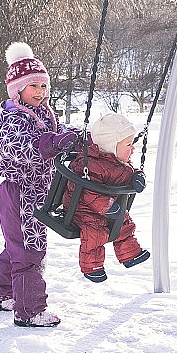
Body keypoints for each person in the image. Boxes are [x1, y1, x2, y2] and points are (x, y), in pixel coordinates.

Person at [0, 41, 76, 327]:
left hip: (38, 191)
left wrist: (74, 136)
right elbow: (16, 147)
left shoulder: (45, 114)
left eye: (43, 86)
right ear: (17, 90)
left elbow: (58, 134)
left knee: (18, 245)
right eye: (33, 86)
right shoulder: (13, 118)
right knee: (29, 250)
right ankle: (30, 310)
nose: (39, 92)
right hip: (19, 191)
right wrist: (50, 144)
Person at [62, 113, 150, 283]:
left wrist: (138, 176)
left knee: (124, 222)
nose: (133, 149)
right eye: (129, 144)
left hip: (107, 207)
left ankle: (129, 254)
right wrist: (107, 206)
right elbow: (87, 192)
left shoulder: (117, 161)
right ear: (111, 145)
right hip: (81, 208)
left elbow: (129, 172)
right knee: (95, 232)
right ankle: (92, 267)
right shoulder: (91, 164)